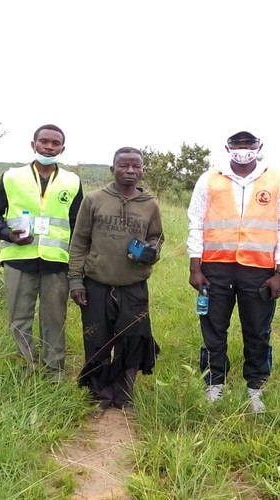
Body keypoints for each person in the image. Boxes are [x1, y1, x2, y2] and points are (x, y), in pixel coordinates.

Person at [187, 130, 280, 413]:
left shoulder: (276, 179)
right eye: (237, 145)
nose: (243, 149)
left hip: (259, 270)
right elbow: (196, 222)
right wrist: (194, 266)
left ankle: (255, 388)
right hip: (215, 268)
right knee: (213, 327)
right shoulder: (209, 178)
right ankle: (214, 383)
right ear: (227, 147)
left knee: (257, 330)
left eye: (249, 145)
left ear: (259, 148)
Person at [68, 147, 163, 412]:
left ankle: (124, 393)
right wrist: (75, 280)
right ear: (112, 169)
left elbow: (157, 236)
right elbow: (79, 242)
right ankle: (99, 393)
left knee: (132, 339)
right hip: (96, 283)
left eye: (136, 166)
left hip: (133, 285)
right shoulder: (95, 199)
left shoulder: (150, 204)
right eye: (123, 166)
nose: (130, 171)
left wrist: (151, 252)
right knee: (97, 340)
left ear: (142, 170)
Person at [0, 124, 82, 382]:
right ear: (33, 144)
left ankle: (55, 371)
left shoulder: (72, 181)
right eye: (44, 141)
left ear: (62, 148)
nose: (49, 147)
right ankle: (25, 369)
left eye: (55, 143)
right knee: (19, 317)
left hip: (56, 261)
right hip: (19, 259)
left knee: (54, 318)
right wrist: (7, 234)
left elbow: (78, 224)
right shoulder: (12, 177)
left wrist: (77, 264)